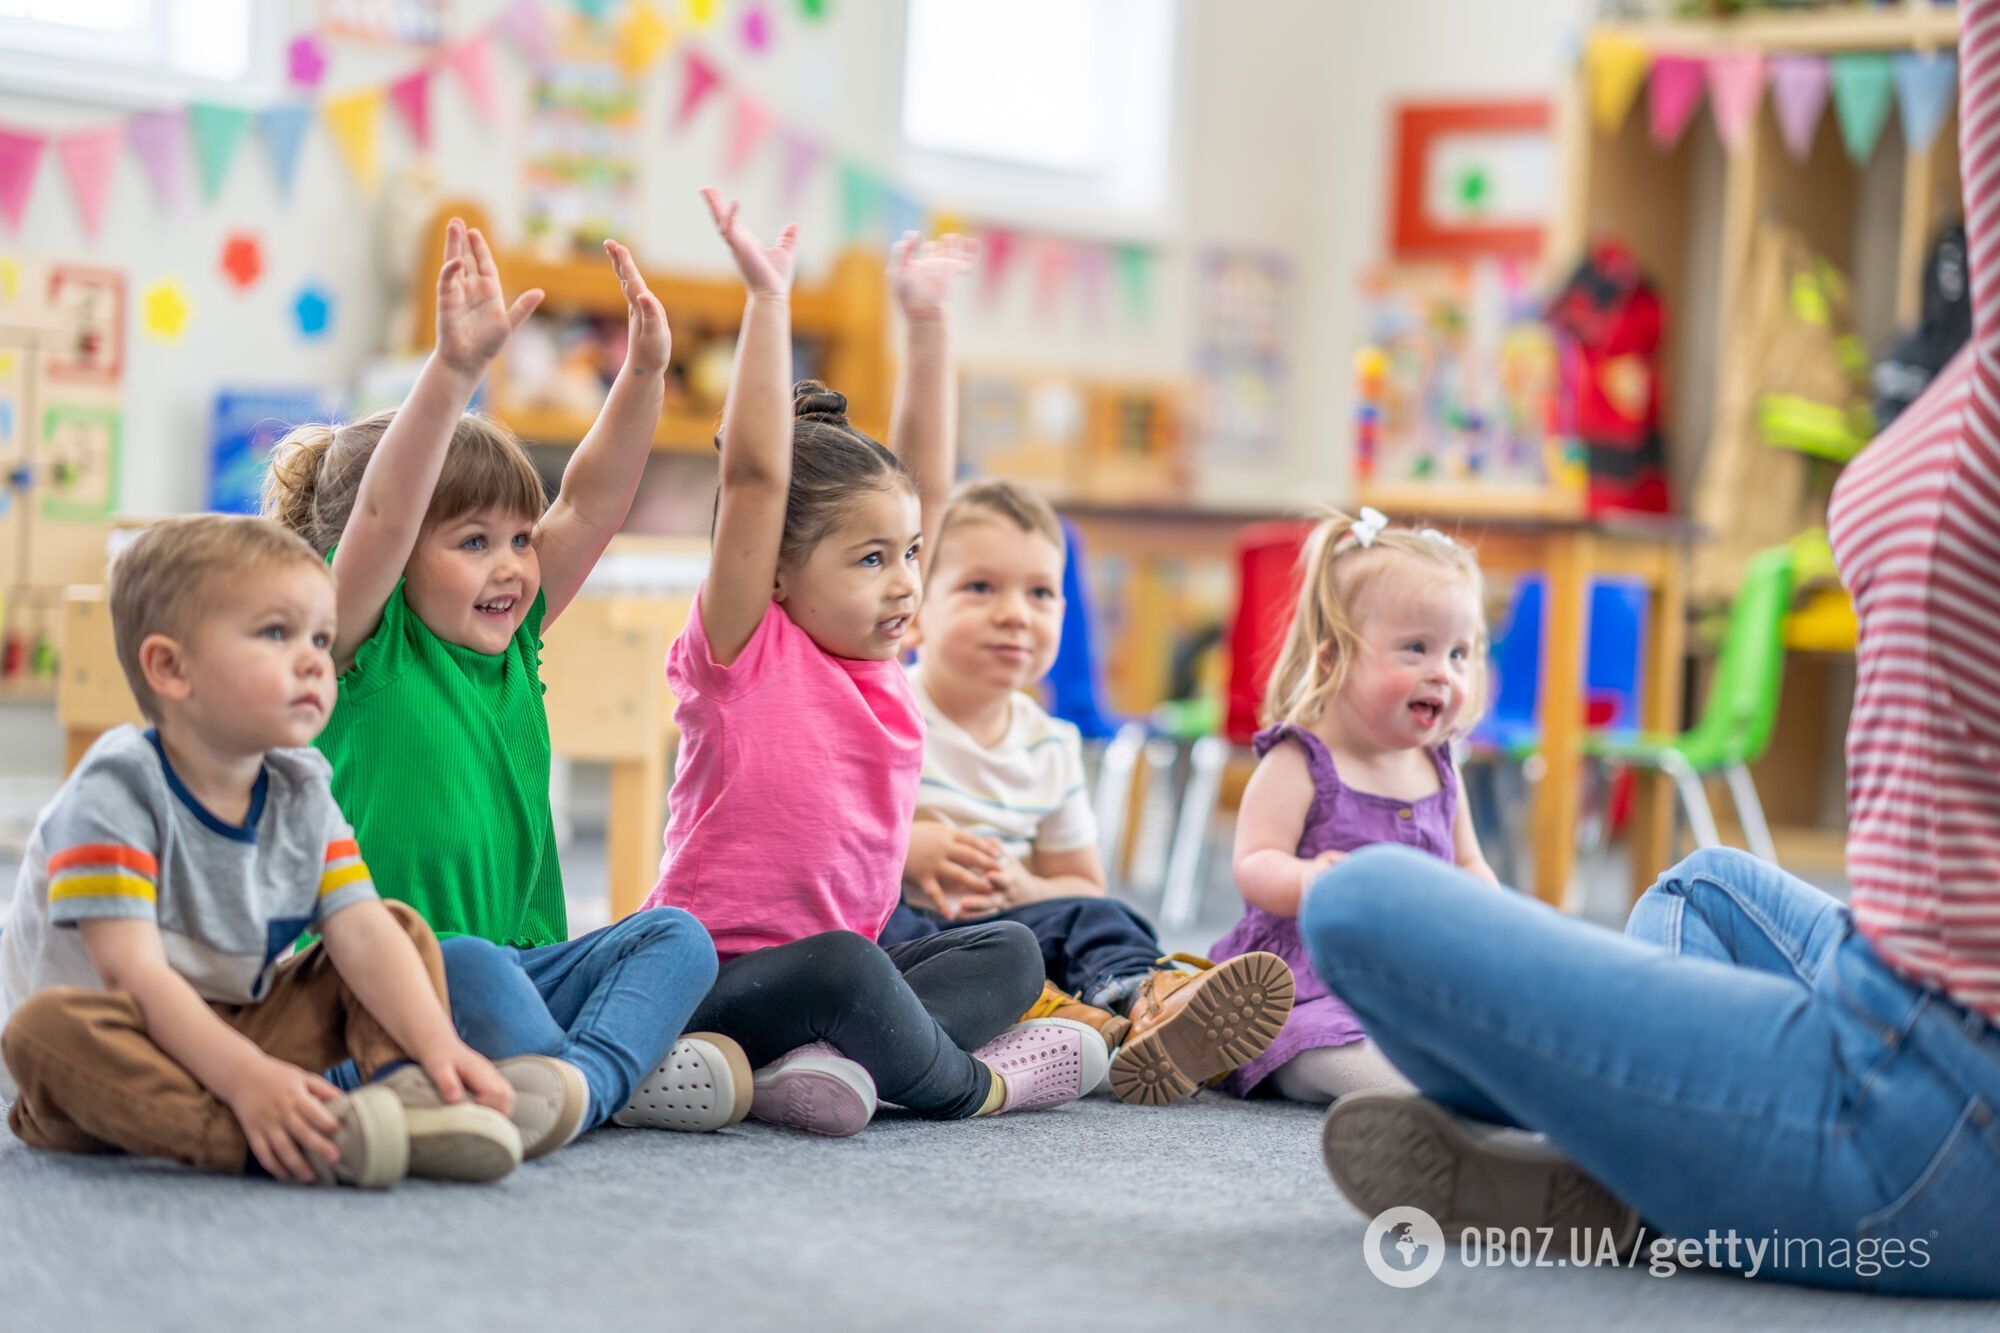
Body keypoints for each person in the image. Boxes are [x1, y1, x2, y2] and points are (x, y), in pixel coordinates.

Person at [1307, 4, 2000, 1294]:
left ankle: (1656, 1178)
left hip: (1929, 1112)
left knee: (1358, 899)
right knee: (1703, 889)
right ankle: (1675, 1159)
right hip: (1906, 995)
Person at [642, 192, 1107, 1136]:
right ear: (773, 573)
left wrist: (928, 325)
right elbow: (755, 479)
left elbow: (924, 484)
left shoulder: (886, 663)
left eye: (909, 556)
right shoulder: (745, 651)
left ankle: (833, 1068)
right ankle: (969, 1084)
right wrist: (768, 304)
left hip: (843, 966)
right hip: (714, 980)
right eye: (869, 560)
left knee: (1011, 952)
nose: (905, 583)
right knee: (847, 971)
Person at [265, 219, 737, 1148]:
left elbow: (592, 500)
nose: (514, 566)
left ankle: (574, 1079)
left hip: (524, 965)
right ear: (397, 562)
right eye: (473, 541)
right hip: (384, 974)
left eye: (519, 540)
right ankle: (600, 1070)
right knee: (471, 968)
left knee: (676, 935)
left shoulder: (513, 642)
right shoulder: (357, 640)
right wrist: (451, 369)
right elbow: (388, 509)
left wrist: (641, 378)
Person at [2, 516, 530, 1187]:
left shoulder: (301, 784)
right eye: (276, 633)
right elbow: (134, 977)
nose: (314, 659)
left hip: (241, 1024)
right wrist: (249, 1080)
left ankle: (412, 1100)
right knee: (39, 1031)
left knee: (394, 923)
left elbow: (361, 930)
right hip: (117, 1053)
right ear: (171, 667)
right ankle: (271, 1140)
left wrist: (440, 1048)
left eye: (320, 636)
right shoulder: (117, 788)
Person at [888, 478, 1292, 1105]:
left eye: (1042, 593)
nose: (1016, 613)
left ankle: (1149, 1001)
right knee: (880, 926)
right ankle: (1050, 1014)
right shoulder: (887, 711)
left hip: (1005, 926)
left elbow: (1079, 884)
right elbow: (828, 838)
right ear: (915, 609)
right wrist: (910, 847)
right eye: (980, 587)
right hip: (912, 932)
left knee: (1103, 916)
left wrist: (1026, 889)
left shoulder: (1050, 743)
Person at [1216, 507, 1495, 1104]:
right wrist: (1310, 880)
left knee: (1499, 1023)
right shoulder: (1301, 763)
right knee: (1320, 1043)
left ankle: (1469, 1084)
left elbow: (1469, 863)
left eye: (1459, 654)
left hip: (1414, 976)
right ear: (1333, 658)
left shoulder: (1439, 766)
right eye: (1416, 648)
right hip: (1308, 982)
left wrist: (1484, 907)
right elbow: (1253, 860)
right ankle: (1414, 1097)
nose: (1442, 674)